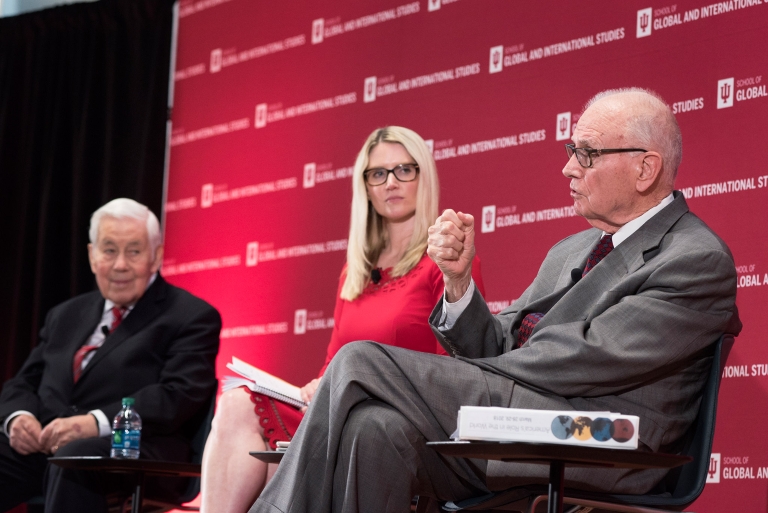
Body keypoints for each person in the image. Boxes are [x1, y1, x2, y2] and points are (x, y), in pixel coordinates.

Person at [248, 88, 743, 513]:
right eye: (572, 149)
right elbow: (498, 344)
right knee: (372, 428)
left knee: (360, 360)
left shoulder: (693, 258)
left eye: (587, 153)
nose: (568, 167)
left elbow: (585, 359)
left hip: (598, 443)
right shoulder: (571, 248)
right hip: (521, 426)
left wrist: (476, 368)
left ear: (645, 168)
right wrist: (460, 284)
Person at [200, 126, 485, 513]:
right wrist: (318, 382)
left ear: (424, 176)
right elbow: (334, 361)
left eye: (404, 170)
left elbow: (456, 370)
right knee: (236, 403)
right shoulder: (354, 269)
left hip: (397, 420)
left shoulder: (447, 263)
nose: (391, 183)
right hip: (337, 407)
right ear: (365, 186)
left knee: (304, 455)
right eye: (377, 173)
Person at [0, 198, 221, 513]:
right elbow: (24, 382)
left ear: (155, 257)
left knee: (77, 459)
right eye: (109, 250)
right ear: (92, 256)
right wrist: (18, 418)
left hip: (133, 451)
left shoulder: (191, 316)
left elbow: (178, 395)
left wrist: (94, 423)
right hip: (47, 448)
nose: (120, 265)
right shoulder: (66, 314)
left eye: (133, 251)